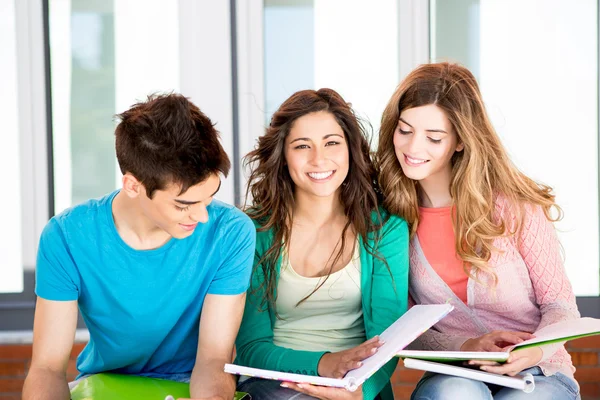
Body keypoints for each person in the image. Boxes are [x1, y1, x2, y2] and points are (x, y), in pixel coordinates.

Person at [22, 94, 256, 400]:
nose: (201, 216)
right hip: (106, 385)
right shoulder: (66, 237)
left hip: (194, 384)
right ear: (133, 186)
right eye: (184, 205)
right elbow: (47, 369)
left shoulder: (231, 232)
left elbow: (213, 360)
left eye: (209, 198)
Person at [375, 62, 581, 399]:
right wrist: (467, 345)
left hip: (539, 371)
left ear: (459, 141)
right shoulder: (391, 217)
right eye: (405, 130)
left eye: (434, 137)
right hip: (455, 373)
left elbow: (560, 304)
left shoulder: (514, 206)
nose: (413, 148)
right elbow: (405, 326)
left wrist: (535, 351)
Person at [234, 88, 410, 400]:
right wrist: (322, 364)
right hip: (276, 385)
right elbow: (250, 348)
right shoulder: (253, 231)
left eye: (332, 143)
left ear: (350, 150)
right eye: (303, 146)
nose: (319, 159)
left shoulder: (385, 231)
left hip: (356, 388)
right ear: (283, 155)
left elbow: (388, 341)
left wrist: (358, 393)